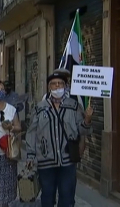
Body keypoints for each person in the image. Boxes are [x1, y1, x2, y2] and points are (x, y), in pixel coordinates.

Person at [26, 73, 93, 207]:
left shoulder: (73, 106)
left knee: (67, 199)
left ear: (65, 86)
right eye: (54, 83)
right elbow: (31, 133)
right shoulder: (40, 108)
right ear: (49, 87)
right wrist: (30, 156)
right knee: (47, 198)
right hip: (46, 161)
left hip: (67, 162)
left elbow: (83, 131)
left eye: (60, 83)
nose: (57, 86)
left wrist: (87, 119)